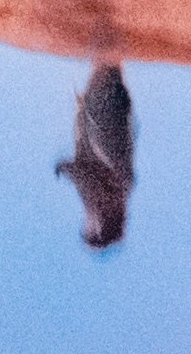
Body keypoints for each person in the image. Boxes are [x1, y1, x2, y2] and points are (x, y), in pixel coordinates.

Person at [57, 59, 136, 248]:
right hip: (104, 122)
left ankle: (109, 40)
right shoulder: (105, 206)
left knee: (107, 66)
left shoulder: (117, 200)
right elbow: (89, 181)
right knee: (106, 65)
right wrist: (65, 169)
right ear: (100, 228)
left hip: (107, 121)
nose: (86, 223)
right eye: (90, 230)